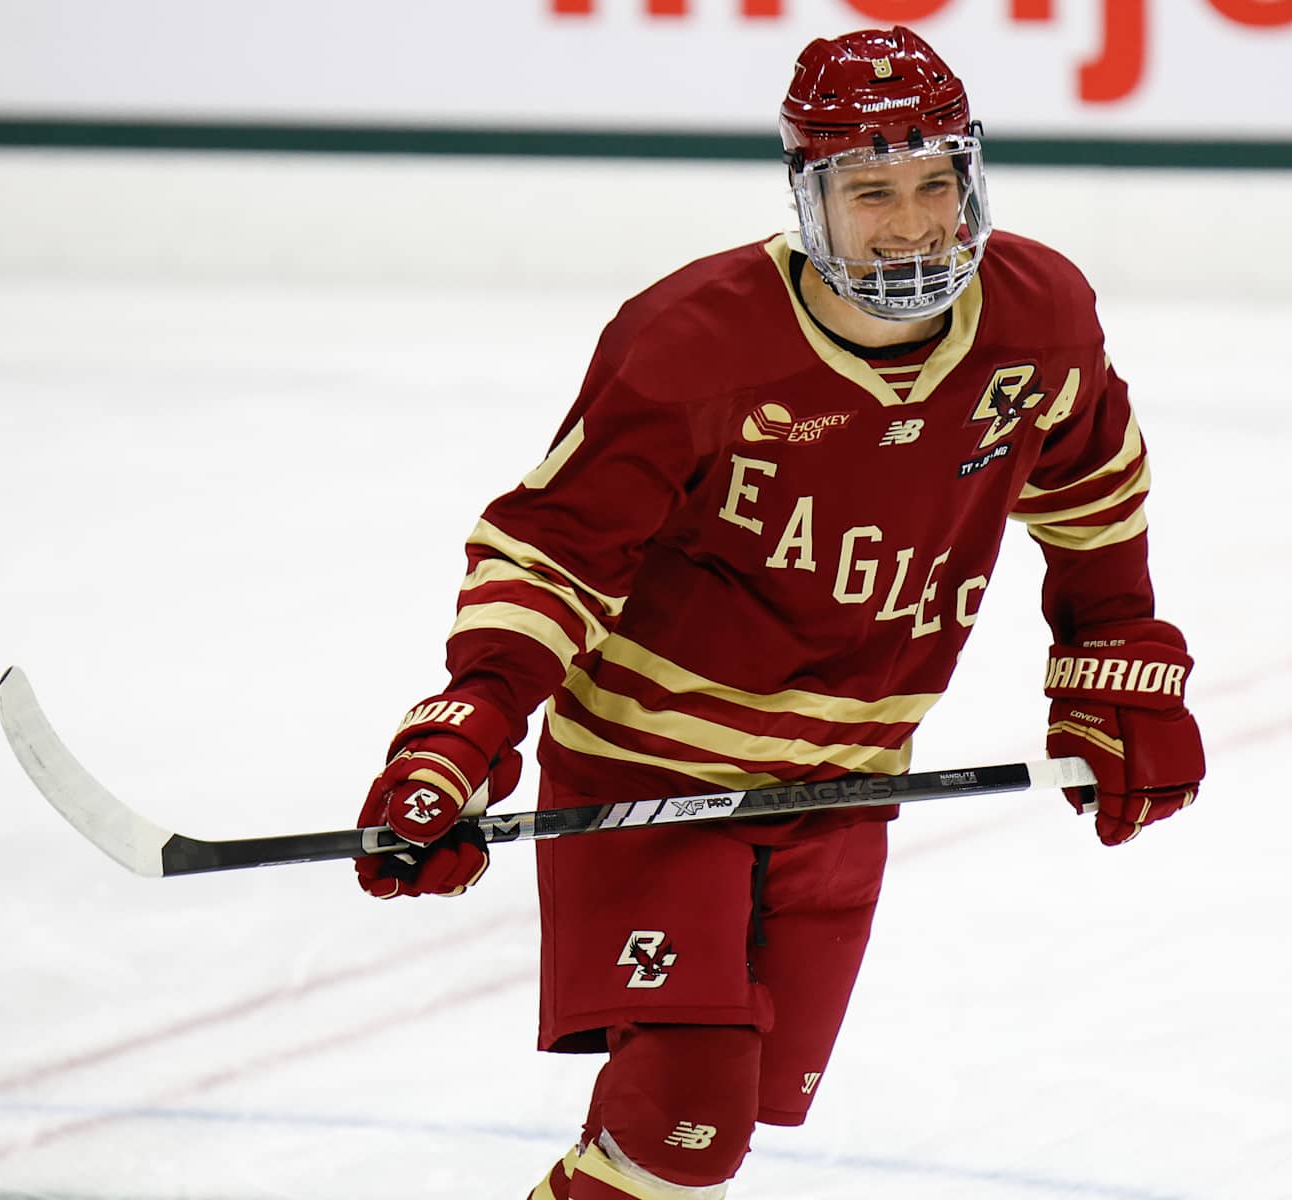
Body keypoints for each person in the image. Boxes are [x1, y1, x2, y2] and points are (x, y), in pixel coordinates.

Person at [352, 25, 1204, 1200]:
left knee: (690, 1142)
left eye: (933, 184)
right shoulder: (693, 344)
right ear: (809, 197)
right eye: (870, 192)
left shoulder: (1040, 321)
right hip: (649, 783)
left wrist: (1114, 653)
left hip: (850, 786)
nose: (911, 223)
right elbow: (555, 553)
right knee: (684, 1126)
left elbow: (1094, 492)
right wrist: (469, 727)